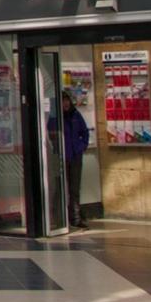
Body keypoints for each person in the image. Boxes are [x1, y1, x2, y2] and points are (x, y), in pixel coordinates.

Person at [61, 91, 89, 228]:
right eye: (62, 101)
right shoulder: (57, 118)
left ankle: (76, 216)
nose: (65, 103)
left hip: (75, 155)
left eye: (66, 100)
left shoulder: (76, 115)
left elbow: (84, 132)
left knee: (74, 187)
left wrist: (82, 146)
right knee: (60, 187)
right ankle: (61, 215)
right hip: (62, 156)